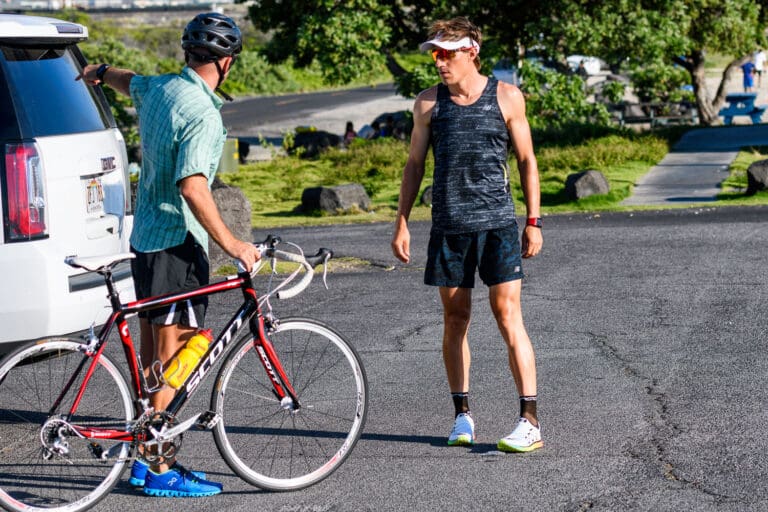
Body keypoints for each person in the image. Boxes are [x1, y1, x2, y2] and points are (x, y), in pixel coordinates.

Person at [78, 12, 260, 497]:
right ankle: (158, 469)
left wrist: (98, 73)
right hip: (177, 244)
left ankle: (147, 457)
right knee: (178, 357)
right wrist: (235, 244)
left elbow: (126, 81)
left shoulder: (159, 87)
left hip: (145, 242)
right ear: (226, 62)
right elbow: (194, 186)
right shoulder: (203, 113)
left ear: (189, 54)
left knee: (156, 361)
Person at [390, 17, 544, 453]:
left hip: (497, 224)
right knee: (455, 319)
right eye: (434, 54)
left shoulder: (507, 97)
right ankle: (462, 416)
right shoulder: (427, 104)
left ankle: (529, 420)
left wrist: (533, 221)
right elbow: (414, 166)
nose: (438, 62)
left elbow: (527, 161)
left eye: (447, 53)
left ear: (471, 50)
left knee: (506, 313)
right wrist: (401, 220)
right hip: (449, 226)